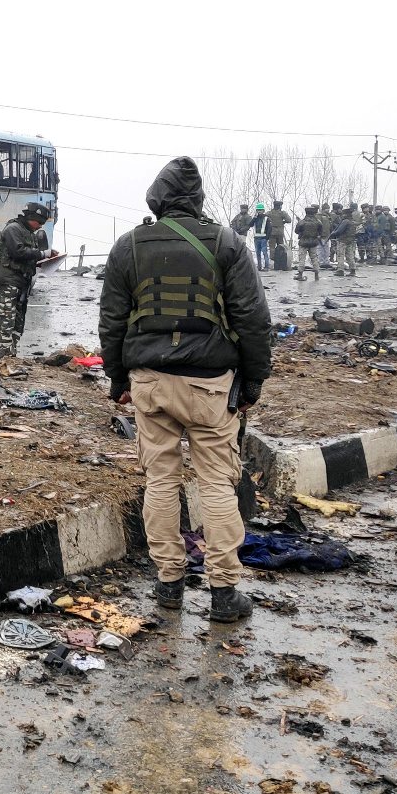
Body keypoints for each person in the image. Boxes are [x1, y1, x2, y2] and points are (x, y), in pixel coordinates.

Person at [99, 157, 273, 624]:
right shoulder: (226, 242)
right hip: (210, 385)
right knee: (217, 482)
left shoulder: (128, 246)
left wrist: (118, 379)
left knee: (160, 479)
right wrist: (254, 378)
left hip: (149, 383)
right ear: (197, 200)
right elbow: (252, 318)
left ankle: (169, 583)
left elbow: (112, 321)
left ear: (156, 199)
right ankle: (223, 591)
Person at [0, 201, 59, 357]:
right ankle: (4, 355)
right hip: (9, 278)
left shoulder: (29, 232)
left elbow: (30, 255)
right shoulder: (13, 229)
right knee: (7, 317)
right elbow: (18, 252)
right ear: (31, 217)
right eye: (40, 222)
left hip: (22, 281)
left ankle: (12, 351)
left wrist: (46, 261)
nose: (40, 226)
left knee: (19, 318)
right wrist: (43, 254)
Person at [294, 206, 323, 280]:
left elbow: (296, 231)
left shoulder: (302, 222)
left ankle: (300, 274)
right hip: (313, 242)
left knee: (302, 259)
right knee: (314, 258)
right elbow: (320, 232)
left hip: (303, 242)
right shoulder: (318, 222)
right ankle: (316, 274)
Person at [333, 203, 362, 276]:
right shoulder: (352, 222)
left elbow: (339, 231)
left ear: (345, 214)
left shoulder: (345, 221)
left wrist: (334, 233)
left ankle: (340, 270)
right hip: (350, 240)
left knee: (340, 255)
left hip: (342, 240)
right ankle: (352, 270)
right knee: (350, 255)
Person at [265, 199, 291, 271]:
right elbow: (289, 220)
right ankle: (281, 262)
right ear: (279, 206)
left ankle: (273, 263)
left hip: (272, 232)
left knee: (272, 248)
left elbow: (264, 218)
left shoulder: (269, 213)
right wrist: (283, 221)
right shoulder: (282, 213)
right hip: (280, 232)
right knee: (281, 248)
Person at [250, 202, 270, 271]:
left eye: (260, 210)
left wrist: (267, 238)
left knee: (264, 253)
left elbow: (269, 229)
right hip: (256, 238)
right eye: (258, 210)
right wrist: (254, 218)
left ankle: (267, 267)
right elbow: (250, 225)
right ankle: (259, 267)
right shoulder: (255, 218)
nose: (259, 211)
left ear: (263, 210)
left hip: (263, 238)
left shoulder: (267, 218)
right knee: (257, 253)